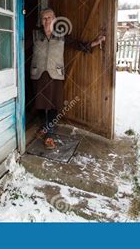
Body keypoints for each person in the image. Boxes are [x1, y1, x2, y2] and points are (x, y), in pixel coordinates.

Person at [31, 8, 106, 150]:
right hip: (38, 74)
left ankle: (49, 135)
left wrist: (94, 43)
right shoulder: (35, 34)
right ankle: (45, 126)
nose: (47, 21)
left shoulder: (61, 34)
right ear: (41, 21)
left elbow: (77, 44)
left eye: (49, 18)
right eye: (44, 18)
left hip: (55, 75)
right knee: (40, 104)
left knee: (53, 105)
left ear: (54, 19)